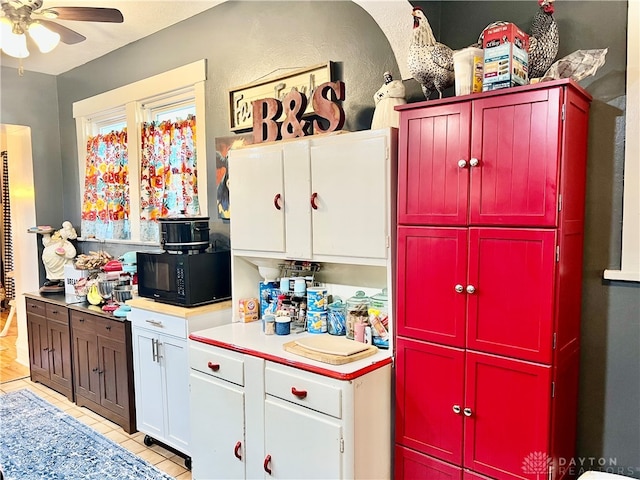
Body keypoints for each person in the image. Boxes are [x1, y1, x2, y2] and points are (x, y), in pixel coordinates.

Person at [41, 221, 78, 286]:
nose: (56, 235)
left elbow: (72, 253)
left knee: (65, 267)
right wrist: (46, 234)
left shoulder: (66, 244)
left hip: (61, 263)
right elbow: (46, 242)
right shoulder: (52, 242)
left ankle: (62, 279)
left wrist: (64, 254)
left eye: (59, 235)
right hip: (50, 264)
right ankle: (53, 279)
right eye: (56, 234)